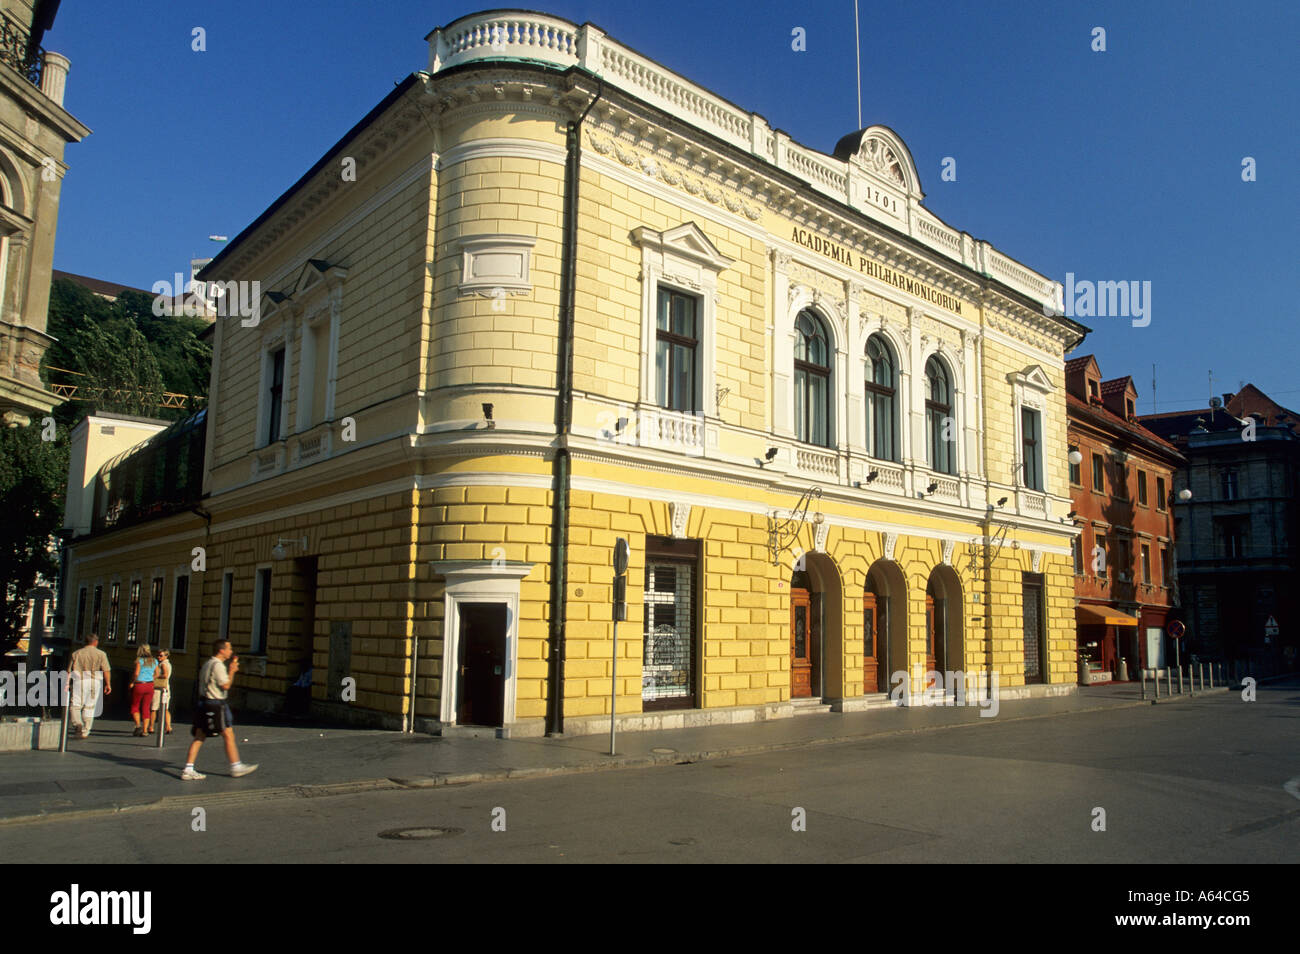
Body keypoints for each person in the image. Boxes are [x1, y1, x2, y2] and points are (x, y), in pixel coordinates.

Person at [181, 640, 257, 780]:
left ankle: (188, 768)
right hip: (215, 704)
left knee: (199, 736)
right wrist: (232, 671)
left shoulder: (207, 663)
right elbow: (226, 685)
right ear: (221, 650)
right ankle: (235, 766)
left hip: (204, 703)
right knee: (228, 734)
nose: (231, 651)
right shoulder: (218, 666)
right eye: (229, 648)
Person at [67, 635, 112, 739]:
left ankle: (77, 723)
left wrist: (67, 684)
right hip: (95, 681)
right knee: (90, 707)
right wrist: (108, 684)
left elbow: (69, 670)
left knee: (75, 705)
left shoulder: (76, 653)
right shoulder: (101, 654)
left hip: (80, 681)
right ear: (95, 642)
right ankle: (85, 731)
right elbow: (106, 670)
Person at [129, 645, 157, 736]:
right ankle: (145, 730)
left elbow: (136, 673)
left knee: (135, 706)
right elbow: (158, 673)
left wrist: (132, 682)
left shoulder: (139, 661)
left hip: (140, 684)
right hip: (150, 685)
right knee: (146, 707)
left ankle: (138, 725)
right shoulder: (154, 661)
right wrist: (151, 678)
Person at [146, 649, 173, 734]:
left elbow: (165, 675)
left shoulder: (163, 664)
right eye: (158, 655)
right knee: (165, 708)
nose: (158, 657)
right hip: (166, 688)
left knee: (153, 708)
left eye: (161, 655)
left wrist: (154, 677)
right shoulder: (167, 664)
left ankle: (151, 727)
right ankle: (168, 727)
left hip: (159, 689)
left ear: (166, 656)